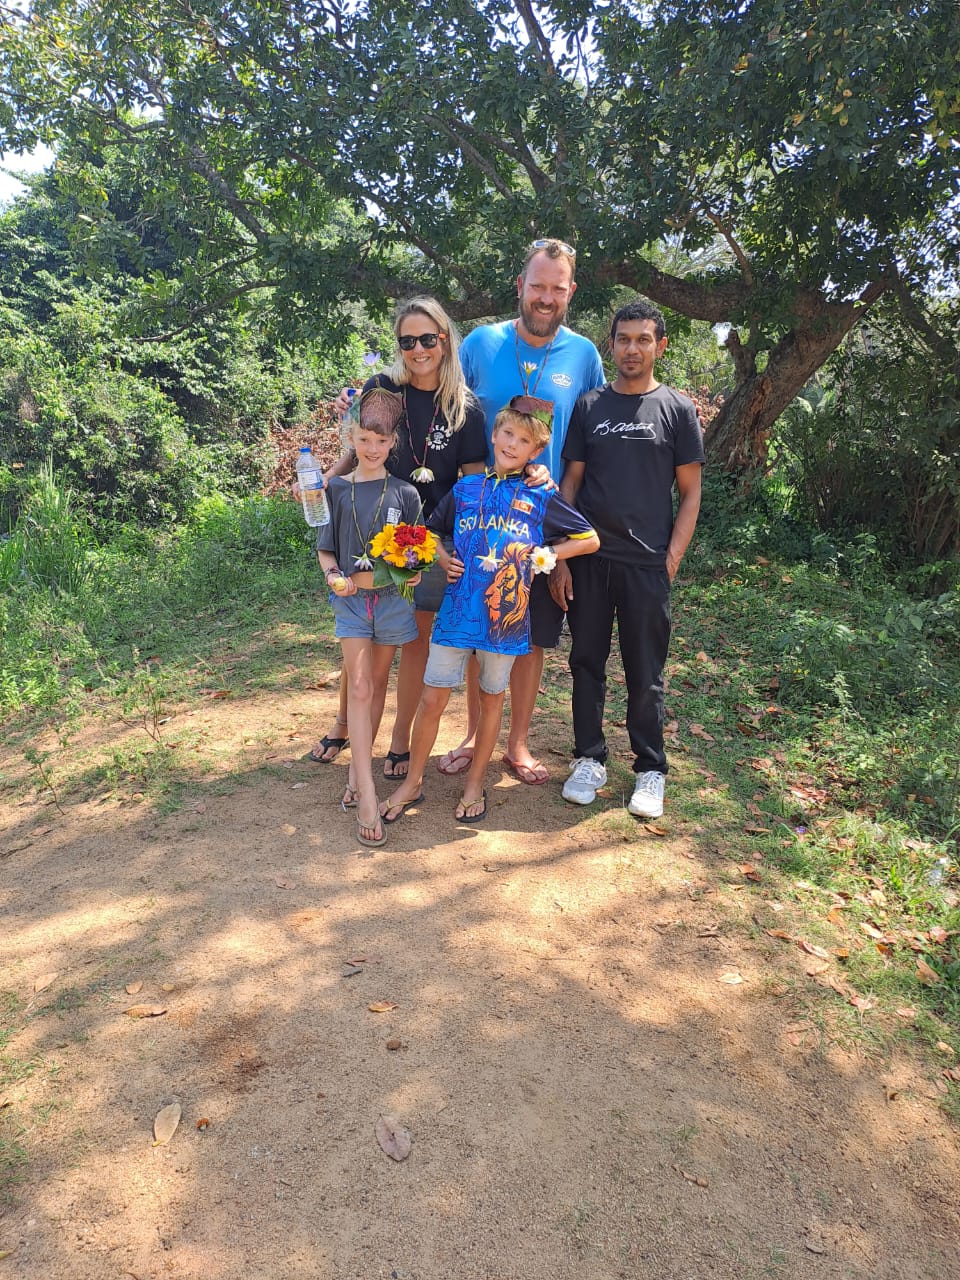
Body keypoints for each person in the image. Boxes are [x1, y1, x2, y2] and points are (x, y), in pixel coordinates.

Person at [379, 397, 599, 824]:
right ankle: (414, 781)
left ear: (537, 451)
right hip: (457, 613)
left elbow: (589, 539)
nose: (513, 444)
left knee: (492, 698)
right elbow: (430, 531)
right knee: (432, 697)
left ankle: (475, 782)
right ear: (494, 435)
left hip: (505, 619)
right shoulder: (466, 489)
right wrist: (443, 559)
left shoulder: (540, 494)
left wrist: (545, 555)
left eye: (524, 441)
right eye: (507, 434)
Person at [435, 237, 605, 785]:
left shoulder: (584, 355)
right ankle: (471, 735)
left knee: (530, 636)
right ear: (520, 286)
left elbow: (587, 447)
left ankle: (518, 742)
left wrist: (562, 550)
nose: (546, 297)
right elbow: (438, 399)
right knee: (477, 632)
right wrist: (362, 398)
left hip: (540, 525)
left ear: (571, 292)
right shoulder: (481, 344)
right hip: (480, 521)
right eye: (538, 286)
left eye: (558, 288)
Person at [308, 297, 488, 775]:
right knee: (360, 635)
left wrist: (460, 545)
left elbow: (472, 483)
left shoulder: (465, 408)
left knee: (414, 640)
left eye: (427, 339)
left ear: (445, 340)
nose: (418, 350)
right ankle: (344, 725)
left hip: (430, 538)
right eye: (407, 341)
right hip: (371, 527)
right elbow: (359, 444)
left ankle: (400, 741)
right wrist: (329, 480)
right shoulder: (382, 387)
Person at [552, 298, 704, 820]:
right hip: (589, 559)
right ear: (611, 345)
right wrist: (562, 557)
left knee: (645, 672)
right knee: (585, 663)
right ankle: (589, 759)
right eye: (623, 339)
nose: (632, 349)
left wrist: (672, 558)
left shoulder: (677, 410)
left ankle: (650, 769)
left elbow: (690, 493)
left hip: (647, 565)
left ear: (660, 346)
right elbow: (570, 484)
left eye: (643, 339)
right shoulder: (590, 406)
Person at [315, 387, 424, 847]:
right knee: (358, 686)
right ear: (351, 439)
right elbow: (325, 549)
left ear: (393, 441)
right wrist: (333, 575)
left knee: (377, 685)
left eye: (381, 441)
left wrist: (415, 569)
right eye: (364, 440)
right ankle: (367, 791)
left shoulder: (406, 492)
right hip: (352, 603)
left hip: (393, 603)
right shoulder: (337, 489)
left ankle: (356, 776)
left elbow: (416, 552)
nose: (372, 449)